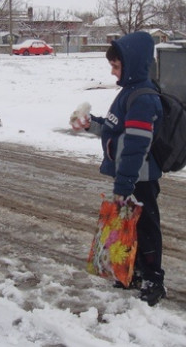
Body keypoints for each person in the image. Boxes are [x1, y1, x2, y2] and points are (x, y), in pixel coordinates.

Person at [71, 31, 166, 306]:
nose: (112, 73)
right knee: (130, 228)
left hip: (140, 178)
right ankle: (133, 273)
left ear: (133, 63)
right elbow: (116, 128)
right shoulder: (129, 92)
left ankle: (154, 280)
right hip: (130, 175)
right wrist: (92, 124)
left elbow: (136, 147)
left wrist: (124, 185)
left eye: (116, 66)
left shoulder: (143, 98)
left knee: (147, 229)